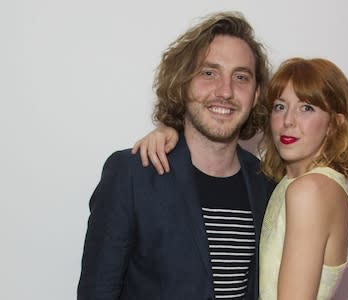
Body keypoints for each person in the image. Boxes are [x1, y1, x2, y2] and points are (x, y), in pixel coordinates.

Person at [134, 57, 348, 299]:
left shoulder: (309, 190)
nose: (288, 120)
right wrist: (169, 130)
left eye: (306, 108)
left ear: (334, 124)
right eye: (280, 106)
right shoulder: (302, 185)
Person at [78, 11, 275, 300]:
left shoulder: (265, 184)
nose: (225, 91)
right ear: (183, 83)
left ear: (256, 94)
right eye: (209, 73)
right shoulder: (132, 174)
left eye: (241, 77)